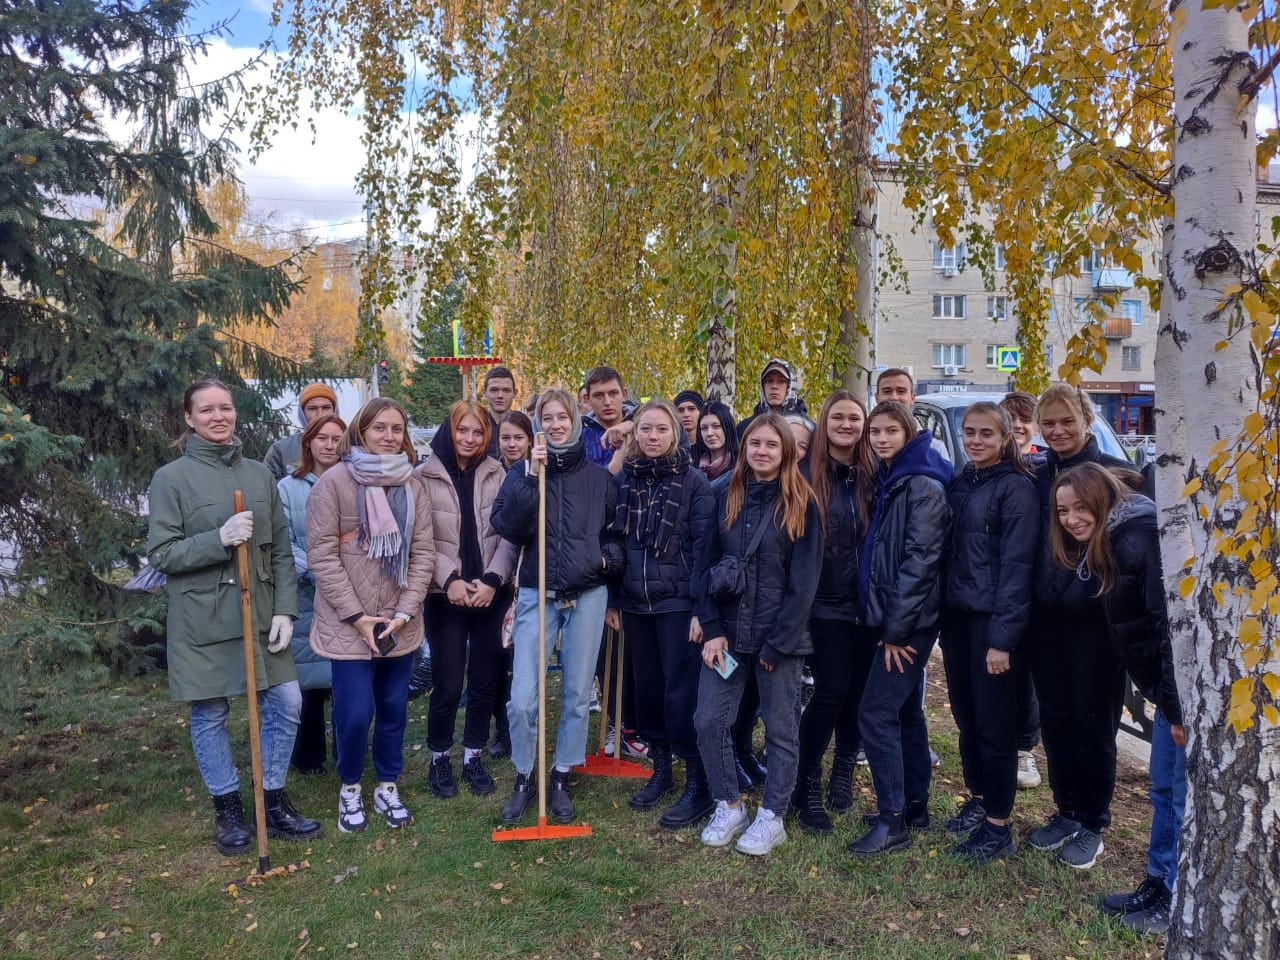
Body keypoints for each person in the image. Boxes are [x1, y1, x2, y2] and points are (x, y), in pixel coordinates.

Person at [147, 379, 321, 856]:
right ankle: (227, 808)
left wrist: (286, 608)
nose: (218, 416)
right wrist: (217, 538)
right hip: (204, 618)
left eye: (225, 408)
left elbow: (282, 549)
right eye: (207, 410)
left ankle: (273, 799)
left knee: (286, 702)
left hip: (262, 612)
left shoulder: (258, 474)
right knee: (210, 713)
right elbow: (162, 553)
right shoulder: (172, 478)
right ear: (189, 418)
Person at [1049, 463, 1185, 936]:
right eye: (1063, 511)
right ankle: (1157, 882)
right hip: (1166, 690)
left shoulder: (1135, 538)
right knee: (1164, 791)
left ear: (1103, 500)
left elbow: (1171, 627)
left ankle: (1176, 898)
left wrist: (1176, 707)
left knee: (1180, 797)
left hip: (1181, 693)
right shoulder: (1110, 537)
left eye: (1080, 508)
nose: (1070, 519)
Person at [491, 389, 623, 824]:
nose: (555, 424)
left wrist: (606, 562)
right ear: (537, 425)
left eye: (562, 416)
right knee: (523, 699)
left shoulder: (599, 478)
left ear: (575, 421)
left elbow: (615, 533)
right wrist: (531, 475)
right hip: (537, 593)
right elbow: (506, 525)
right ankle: (525, 775)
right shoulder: (524, 473)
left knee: (576, 693)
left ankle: (562, 773)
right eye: (546, 417)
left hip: (587, 593)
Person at [694, 413, 823, 856]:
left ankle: (773, 816)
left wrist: (779, 642)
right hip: (726, 638)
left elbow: (804, 584)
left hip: (778, 641)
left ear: (786, 450)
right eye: (755, 444)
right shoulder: (722, 496)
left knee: (782, 729)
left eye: (771, 444)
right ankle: (729, 804)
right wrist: (711, 628)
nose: (762, 451)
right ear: (744, 447)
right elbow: (704, 568)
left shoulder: (802, 503)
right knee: (709, 720)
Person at [306, 398, 435, 833]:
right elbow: (322, 557)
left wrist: (404, 612)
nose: (389, 436)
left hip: (400, 622)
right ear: (361, 431)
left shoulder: (414, 486)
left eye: (397, 429)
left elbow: (423, 553)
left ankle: (386, 783)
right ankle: (349, 787)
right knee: (355, 712)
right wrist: (358, 617)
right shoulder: (334, 483)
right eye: (380, 428)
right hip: (350, 624)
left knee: (394, 708)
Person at [1026, 384, 1136, 868]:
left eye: (1066, 421)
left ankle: (1093, 820)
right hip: (1047, 622)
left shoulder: (1116, 476)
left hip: (1097, 628)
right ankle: (1066, 810)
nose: (1057, 431)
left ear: (1086, 421)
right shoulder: (1036, 473)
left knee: (1094, 726)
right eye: (1048, 423)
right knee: (1057, 722)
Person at [848, 401, 953, 858]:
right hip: (898, 618)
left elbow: (920, 562)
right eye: (876, 432)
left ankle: (893, 822)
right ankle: (914, 805)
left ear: (909, 433)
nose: (882, 439)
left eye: (892, 431)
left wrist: (896, 631)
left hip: (908, 623)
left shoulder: (923, 484)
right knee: (907, 711)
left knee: (875, 712)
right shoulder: (898, 478)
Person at [608, 400, 718, 828]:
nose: (652, 437)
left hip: (678, 604)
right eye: (645, 430)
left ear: (675, 434)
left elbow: (704, 549)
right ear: (635, 435)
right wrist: (616, 598)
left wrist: (699, 609)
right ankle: (662, 767)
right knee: (648, 689)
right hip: (637, 604)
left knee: (680, 694)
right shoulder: (627, 481)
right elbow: (615, 542)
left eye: (661, 430)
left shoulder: (693, 483)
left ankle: (697, 780)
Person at [938, 402, 1039, 863]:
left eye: (986, 434)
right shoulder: (964, 481)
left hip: (992, 624)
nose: (975, 440)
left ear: (1005, 439)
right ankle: (979, 800)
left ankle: (999, 825)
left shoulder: (1016, 489)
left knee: (996, 726)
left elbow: (1017, 569)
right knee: (968, 720)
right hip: (959, 618)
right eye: (970, 433)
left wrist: (1003, 640)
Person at [418, 401, 517, 799]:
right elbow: (420, 538)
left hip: (490, 591)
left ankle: (473, 754)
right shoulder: (422, 477)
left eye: (478, 432)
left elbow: (509, 534)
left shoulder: (500, 474)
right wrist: (450, 579)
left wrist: (493, 579)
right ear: (450, 429)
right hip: (446, 595)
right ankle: (439, 756)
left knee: (484, 678)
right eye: (464, 430)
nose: (470, 439)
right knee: (446, 678)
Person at [792, 390, 872, 835]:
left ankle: (843, 767)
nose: (846, 424)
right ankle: (806, 783)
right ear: (825, 423)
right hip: (824, 603)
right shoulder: (805, 475)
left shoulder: (874, 473)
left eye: (854, 418)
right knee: (830, 691)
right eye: (837, 417)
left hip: (867, 605)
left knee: (856, 694)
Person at [278, 413, 347, 776]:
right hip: (306, 591)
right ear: (309, 443)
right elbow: (282, 540)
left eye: (337, 438)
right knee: (308, 679)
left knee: (344, 676)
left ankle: (346, 752)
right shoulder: (288, 488)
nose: (330, 445)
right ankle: (308, 757)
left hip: (348, 592)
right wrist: (316, 567)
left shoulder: (355, 481)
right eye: (323, 438)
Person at [999, 389, 1046, 791]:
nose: (1016, 427)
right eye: (1008, 421)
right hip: (994, 591)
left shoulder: (1042, 469)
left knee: (1027, 671)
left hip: (1035, 588)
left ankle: (1024, 748)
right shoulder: (985, 468)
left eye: (1023, 421)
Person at [265, 382, 339, 481]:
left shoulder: (351, 448)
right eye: (312, 408)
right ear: (302, 413)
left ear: (334, 411)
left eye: (326, 408)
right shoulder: (281, 450)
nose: (320, 414)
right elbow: (268, 490)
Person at [874, 368, 950, 462]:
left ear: (912, 398)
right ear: (877, 398)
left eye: (901, 391)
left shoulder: (935, 448)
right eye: (887, 391)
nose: (894, 397)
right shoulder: (866, 447)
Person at [736, 359, 806, 436]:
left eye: (781, 381)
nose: (774, 386)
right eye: (769, 381)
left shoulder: (806, 429)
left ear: (790, 386)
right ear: (763, 386)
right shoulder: (745, 428)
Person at [581, 366, 631, 468]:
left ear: (624, 395)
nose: (607, 402)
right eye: (599, 395)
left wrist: (632, 426)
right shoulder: (578, 436)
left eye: (613, 393)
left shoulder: (645, 430)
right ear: (587, 399)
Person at [695, 401, 739, 489]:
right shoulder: (694, 468)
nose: (709, 433)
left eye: (716, 426)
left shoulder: (741, 467)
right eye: (704, 428)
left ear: (727, 427)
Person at [483, 366, 518, 458]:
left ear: (515, 393)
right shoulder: (476, 428)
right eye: (494, 390)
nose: (500, 395)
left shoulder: (524, 428)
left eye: (506, 390)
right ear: (485, 393)